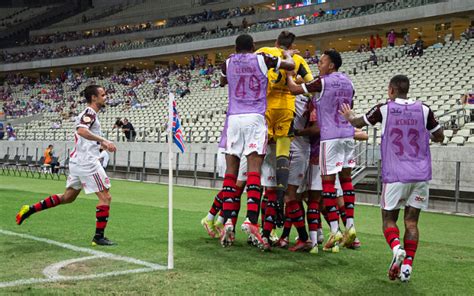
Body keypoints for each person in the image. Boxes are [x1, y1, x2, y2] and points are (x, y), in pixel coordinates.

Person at [339, 74, 444, 282]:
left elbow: (359, 121)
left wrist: (350, 116)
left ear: (391, 90)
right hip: (420, 174)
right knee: (412, 222)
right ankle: (407, 267)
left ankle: (397, 249)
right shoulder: (424, 109)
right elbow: (440, 136)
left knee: (389, 220)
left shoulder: (384, 108)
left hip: (395, 174)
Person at [218, 33, 296, 249]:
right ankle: (252, 220)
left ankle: (228, 222)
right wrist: (287, 54)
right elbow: (289, 66)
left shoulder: (228, 61)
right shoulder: (262, 58)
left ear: (235, 47)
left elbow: (222, 80)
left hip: (233, 118)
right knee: (254, 170)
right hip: (255, 117)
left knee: (231, 173)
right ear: (253, 46)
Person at [16, 85, 118, 246]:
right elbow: (81, 131)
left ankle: (29, 209)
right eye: (103, 95)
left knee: (67, 198)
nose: (106, 97)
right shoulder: (89, 113)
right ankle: (98, 237)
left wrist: (100, 145)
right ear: (94, 98)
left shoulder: (91, 115)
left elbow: (84, 137)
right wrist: (103, 140)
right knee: (105, 197)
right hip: (87, 163)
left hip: (78, 162)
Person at [286, 49, 357, 252]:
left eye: (322, 61)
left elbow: (293, 89)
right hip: (347, 135)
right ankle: (350, 226)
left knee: (328, 184)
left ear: (332, 65)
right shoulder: (349, 82)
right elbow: (349, 107)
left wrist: (290, 72)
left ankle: (334, 230)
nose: (319, 64)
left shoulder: (322, 82)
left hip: (330, 137)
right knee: (346, 181)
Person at [255, 31, 314, 214]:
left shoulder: (264, 51)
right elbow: (311, 84)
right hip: (286, 109)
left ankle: (257, 198)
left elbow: (249, 63)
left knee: (259, 156)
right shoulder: (297, 59)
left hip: (266, 109)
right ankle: (281, 196)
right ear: (291, 44)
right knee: (282, 154)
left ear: (276, 42)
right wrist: (294, 79)